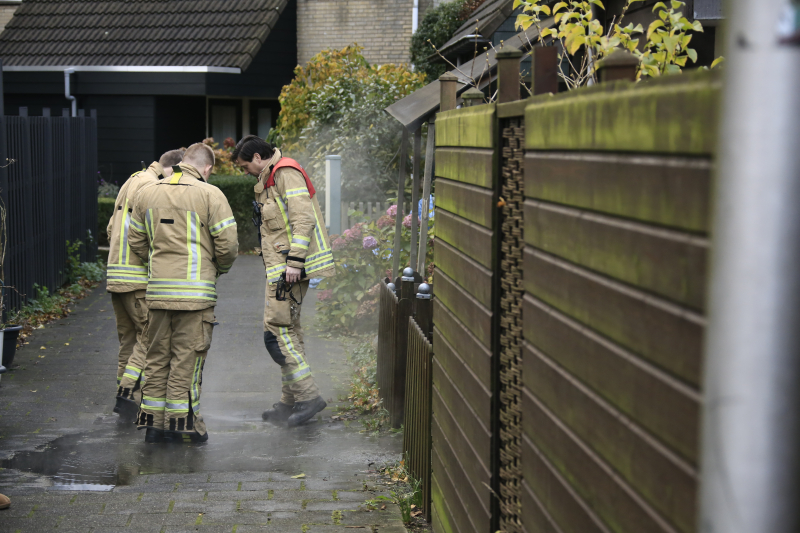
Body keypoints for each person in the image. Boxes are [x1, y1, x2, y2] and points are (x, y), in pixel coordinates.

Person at [128, 143, 238, 443]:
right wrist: (217, 269)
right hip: (196, 296)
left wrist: (155, 265)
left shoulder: (147, 193)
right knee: (187, 361)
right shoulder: (210, 194)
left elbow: (135, 241)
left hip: (158, 293)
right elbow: (228, 246)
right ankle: (180, 426)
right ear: (207, 169)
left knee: (156, 357)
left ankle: (152, 425)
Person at [232, 135, 334, 427]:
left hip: (289, 268)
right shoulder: (272, 177)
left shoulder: (285, 173)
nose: (245, 172)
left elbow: (303, 220)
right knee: (287, 332)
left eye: (244, 166)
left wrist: (295, 261)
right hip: (283, 267)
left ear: (257, 158)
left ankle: (308, 397)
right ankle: (291, 402)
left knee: (277, 333)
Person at [107, 149, 184, 423]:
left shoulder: (132, 180)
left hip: (116, 276)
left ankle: (125, 401)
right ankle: (128, 394)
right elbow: (152, 233)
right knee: (150, 336)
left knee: (128, 340)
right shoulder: (152, 186)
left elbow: (110, 228)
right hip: (137, 279)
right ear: (171, 169)